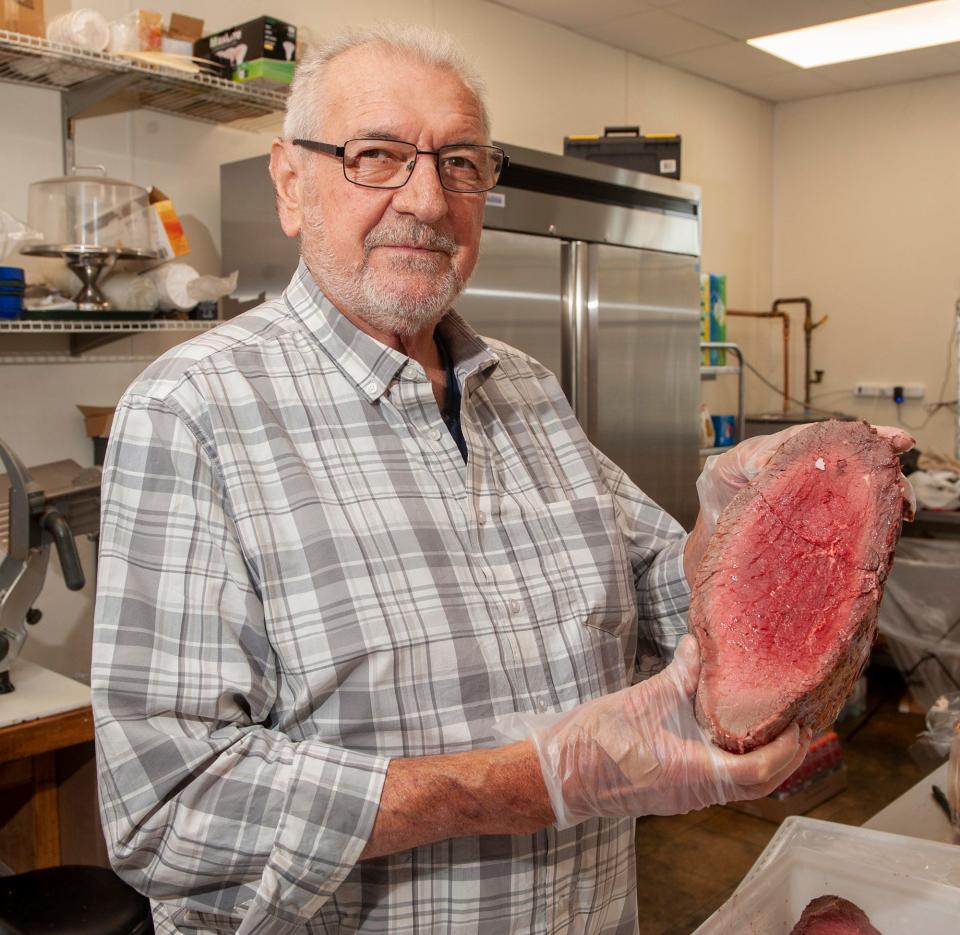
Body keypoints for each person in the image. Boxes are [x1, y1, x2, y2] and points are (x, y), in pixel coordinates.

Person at [91, 25, 908, 934]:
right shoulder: (192, 411)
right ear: (291, 183)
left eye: (463, 164)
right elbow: (166, 807)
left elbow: (665, 608)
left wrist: (740, 532)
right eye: (377, 156)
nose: (429, 200)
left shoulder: (525, 388)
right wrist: (527, 783)